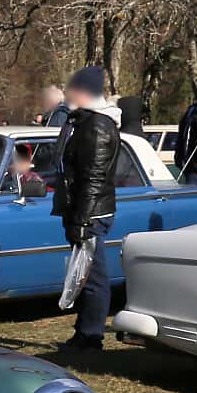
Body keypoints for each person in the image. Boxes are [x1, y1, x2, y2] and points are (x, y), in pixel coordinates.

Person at [52, 65, 120, 352]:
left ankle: (92, 335)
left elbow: (94, 176)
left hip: (91, 211)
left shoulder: (97, 127)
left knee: (92, 276)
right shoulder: (82, 122)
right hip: (82, 208)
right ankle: (84, 331)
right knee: (82, 274)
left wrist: (83, 217)